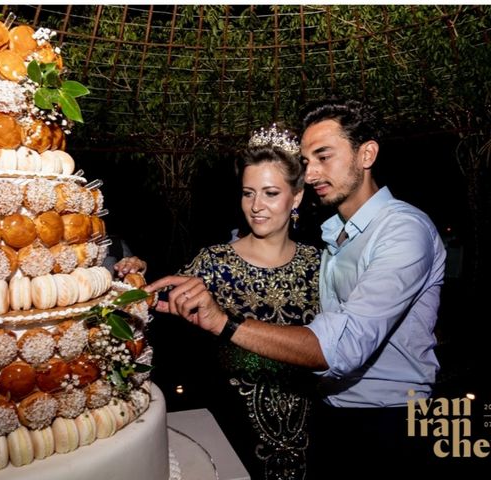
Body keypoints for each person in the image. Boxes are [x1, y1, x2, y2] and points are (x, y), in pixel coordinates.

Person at [146, 99, 446, 479]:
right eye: (307, 163)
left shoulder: (401, 230)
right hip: (327, 419)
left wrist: (226, 324)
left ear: (366, 153)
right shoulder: (335, 241)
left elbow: (344, 346)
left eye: (324, 156)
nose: (314, 172)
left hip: (391, 421)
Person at [162, 127, 321, 479]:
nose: (256, 206)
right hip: (230, 434)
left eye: (270, 193)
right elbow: (161, 307)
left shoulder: (320, 264)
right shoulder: (214, 263)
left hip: (316, 434)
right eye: (248, 193)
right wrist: (134, 275)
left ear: (296, 197)